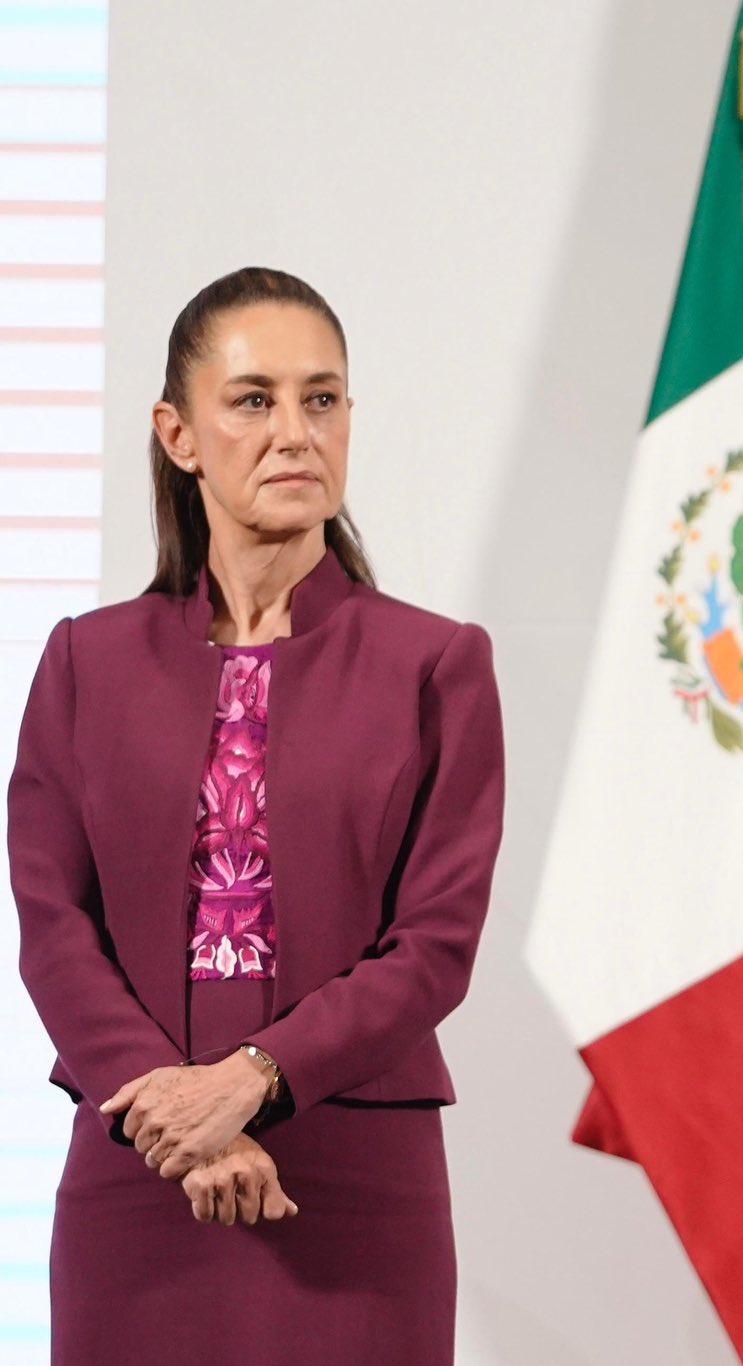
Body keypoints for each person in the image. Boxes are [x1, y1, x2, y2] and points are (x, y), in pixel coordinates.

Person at [8, 267, 505, 1365]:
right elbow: (54, 928)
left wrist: (249, 1084)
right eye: (253, 400)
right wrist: (178, 1123)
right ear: (178, 435)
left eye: (321, 399)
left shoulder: (436, 664)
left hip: (350, 1181)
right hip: (137, 1171)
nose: (294, 432)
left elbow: (435, 947)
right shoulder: (86, 662)